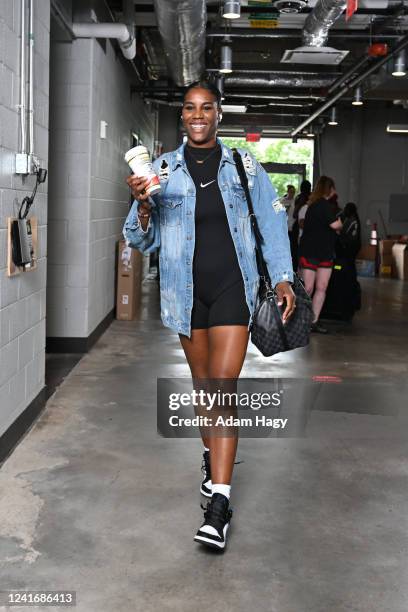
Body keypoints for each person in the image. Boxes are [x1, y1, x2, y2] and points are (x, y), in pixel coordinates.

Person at [123, 80, 295, 551]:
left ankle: (219, 504)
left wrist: (281, 276)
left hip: (233, 292)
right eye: (189, 109)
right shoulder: (161, 170)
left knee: (222, 388)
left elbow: (273, 221)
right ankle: (211, 455)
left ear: (218, 114)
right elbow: (139, 239)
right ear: (182, 116)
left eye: (206, 108)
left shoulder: (245, 166)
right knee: (205, 390)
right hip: (185, 295)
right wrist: (141, 204)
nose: (198, 116)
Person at [298, 176, 343, 334]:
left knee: (318, 287)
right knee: (311, 288)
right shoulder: (322, 205)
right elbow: (336, 225)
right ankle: (302, 320)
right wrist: (340, 223)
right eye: (334, 188)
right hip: (312, 252)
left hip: (323, 252)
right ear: (329, 189)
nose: (335, 191)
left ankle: (312, 321)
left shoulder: (315, 206)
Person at [292, 180, 311, 266]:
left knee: (297, 251)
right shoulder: (309, 197)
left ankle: (297, 269)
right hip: (304, 226)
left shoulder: (300, 197)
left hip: (300, 226)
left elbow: (295, 214)